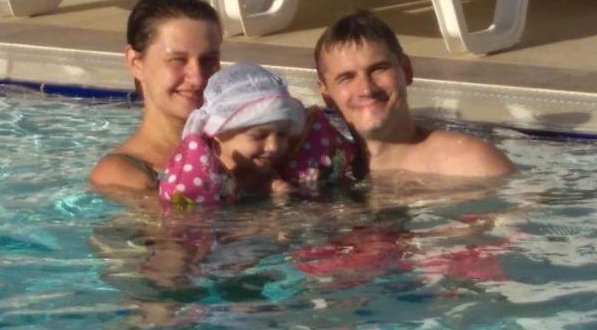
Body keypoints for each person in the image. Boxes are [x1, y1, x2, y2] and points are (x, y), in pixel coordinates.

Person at [314, 10, 515, 179]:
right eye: (346, 78)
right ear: (326, 94)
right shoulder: (322, 171)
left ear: (406, 70)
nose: (366, 89)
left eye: (379, 69)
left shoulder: (469, 163)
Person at [159, 62, 357, 206]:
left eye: (282, 134)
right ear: (217, 132)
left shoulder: (270, 178)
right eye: (259, 136)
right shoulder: (200, 181)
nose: (274, 146)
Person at [90, 0, 222, 193]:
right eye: (178, 60)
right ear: (136, 63)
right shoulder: (120, 174)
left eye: (208, 60)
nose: (197, 78)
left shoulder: (246, 146)